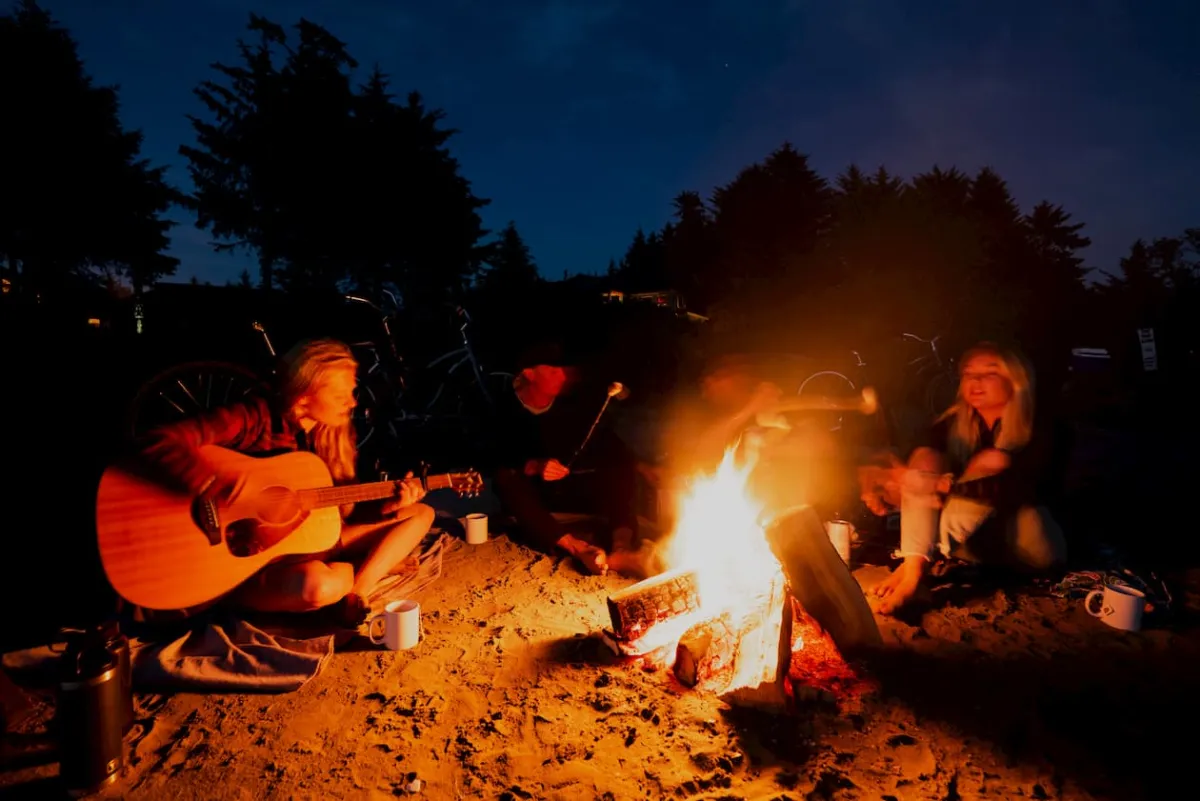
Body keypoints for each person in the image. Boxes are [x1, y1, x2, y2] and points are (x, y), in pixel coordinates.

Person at [138, 339, 436, 624]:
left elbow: (341, 517)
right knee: (317, 587)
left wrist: (390, 505)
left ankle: (359, 590)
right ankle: (221, 596)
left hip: (310, 544)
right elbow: (157, 442)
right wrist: (227, 491)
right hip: (247, 564)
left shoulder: (334, 436)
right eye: (339, 395)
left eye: (351, 392)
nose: (351, 403)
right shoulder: (252, 417)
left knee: (421, 513)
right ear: (304, 395)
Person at [867, 342, 1069, 615]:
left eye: (990, 372)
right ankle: (914, 572)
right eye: (969, 373)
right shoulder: (954, 423)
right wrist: (881, 482)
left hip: (1028, 544)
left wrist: (943, 486)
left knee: (992, 461)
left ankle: (913, 569)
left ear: (1016, 380)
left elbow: (1020, 490)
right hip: (970, 543)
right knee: (925, 458)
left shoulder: (1043, 426)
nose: (976, 381)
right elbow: (910, 466)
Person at [492, 342, 649, 576]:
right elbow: (495, 457)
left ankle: (621, 548)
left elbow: (608, 444)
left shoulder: (573, 401)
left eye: (566, 369)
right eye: (555, 371)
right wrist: (536, 466)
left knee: (620, 462)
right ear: (528, 373)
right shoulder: (503, 406)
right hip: (537, 497)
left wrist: (645, 467)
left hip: (574, 489)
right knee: (505, 479)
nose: (565, 376)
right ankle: (578, 549)